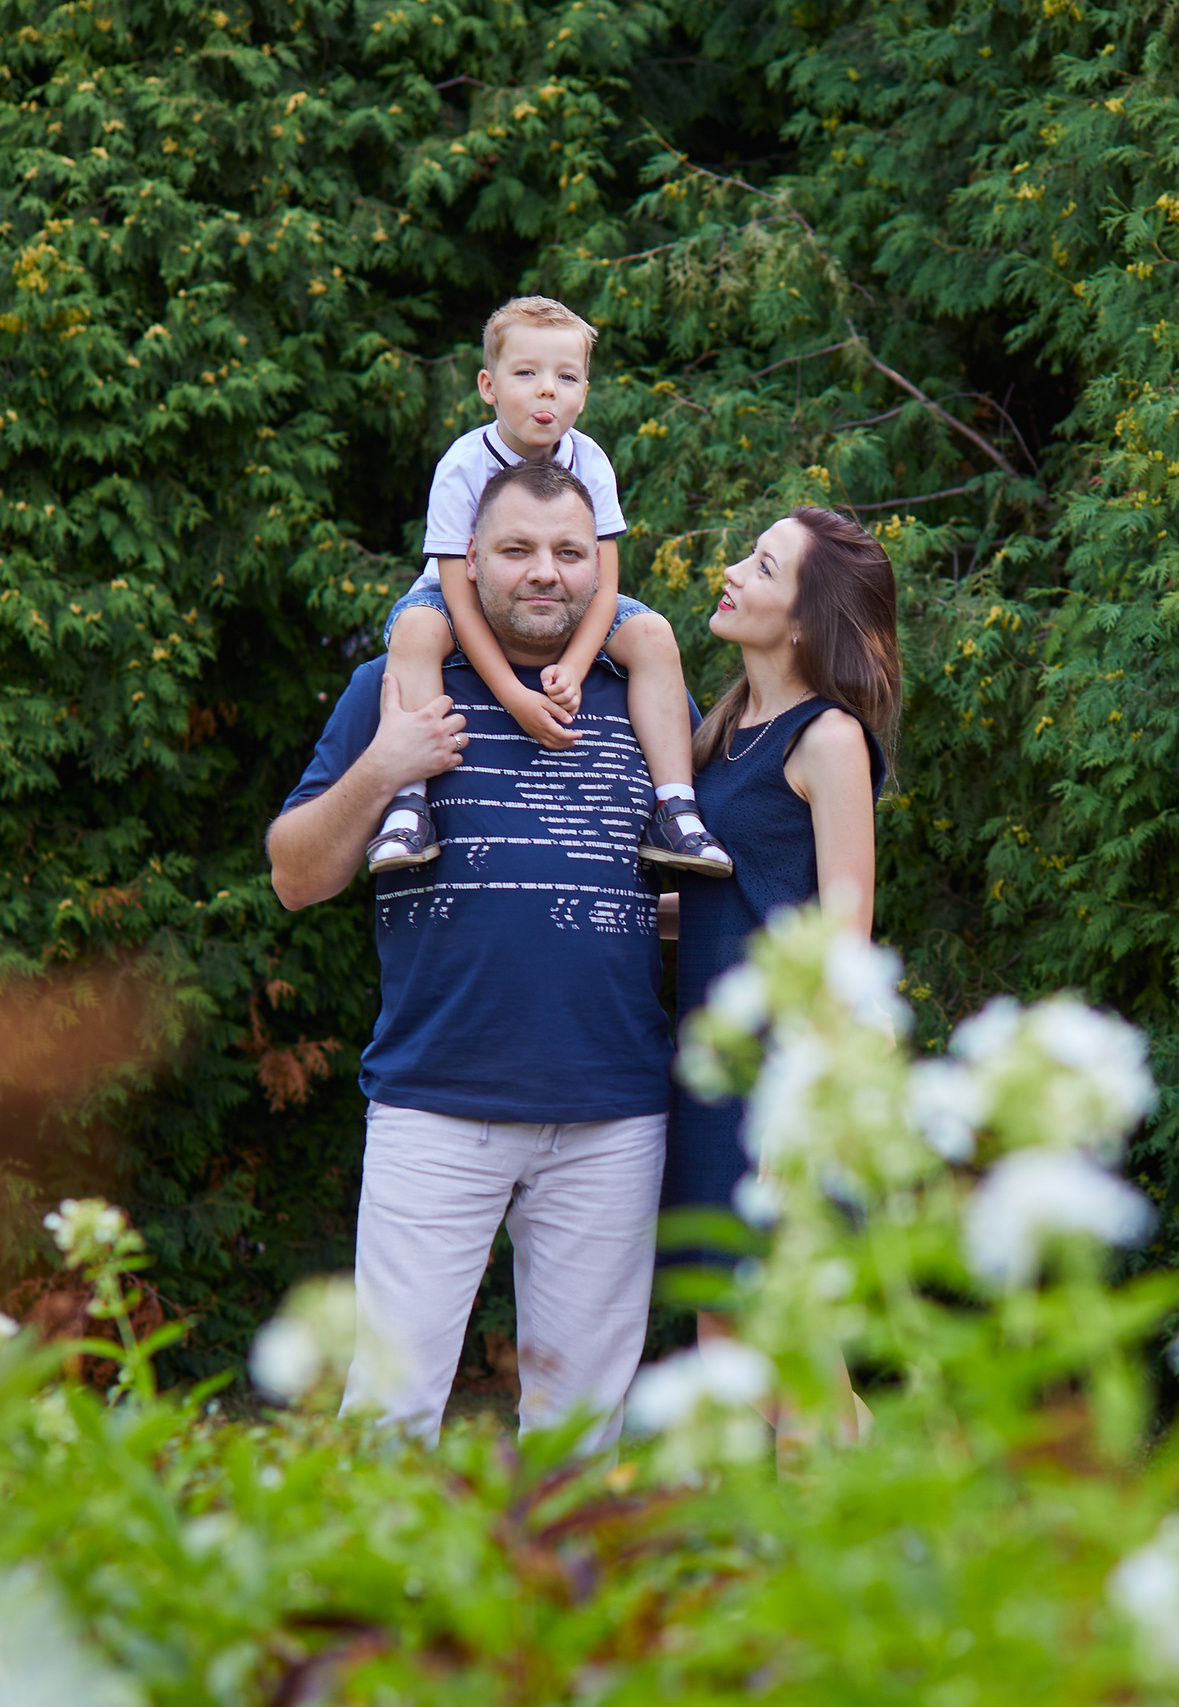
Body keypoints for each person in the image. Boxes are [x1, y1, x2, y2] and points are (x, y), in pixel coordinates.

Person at [267, 457, 673, 1449]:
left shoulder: (642, 693)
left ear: (599, 564)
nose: (546, 572)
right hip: (436, 1103)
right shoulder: (399, 685)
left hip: (613, 1110)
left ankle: (557, 1563)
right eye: (517, 549)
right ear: (468, 561)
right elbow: (294, 875)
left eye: (569, 551)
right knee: (388, 1417)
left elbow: (689, 881)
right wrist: (384, 766)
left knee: (581, 1436)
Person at [366, 295, 730, 881]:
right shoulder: (462, 464)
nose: (546, 391)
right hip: (456, 600)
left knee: (653, 634)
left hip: (570, 601)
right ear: (488, 386)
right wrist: (514, 694)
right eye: (526, 373)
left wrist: (577, 666)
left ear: (583, 393)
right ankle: (408, 806)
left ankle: (674, 809)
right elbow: (458, 595)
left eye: (566, 377)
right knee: (414, 629)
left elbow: (605, 584)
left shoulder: (592, 461)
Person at [662, 507, 902, 1242]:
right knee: (709, 1298)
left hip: (779, 1075)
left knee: (774, 1300)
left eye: (763, 567)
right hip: (711, 1059)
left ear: (805, 622)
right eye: (748, 555)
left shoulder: (829, 737)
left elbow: (845, 943)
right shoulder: (721, 731)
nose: (731, 572)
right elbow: (725, 903)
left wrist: (802, 1114)